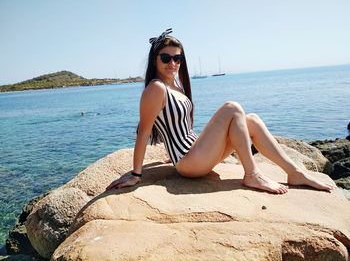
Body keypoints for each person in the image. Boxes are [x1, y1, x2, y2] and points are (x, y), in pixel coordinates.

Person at [106, 28, 332, 194]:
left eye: (177, 58)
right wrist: (136, 175)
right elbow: (144, 132)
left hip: (195, 151)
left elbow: (179, 126)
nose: (172, 63)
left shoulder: (175, 86)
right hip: (188, 162)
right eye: (166, 58)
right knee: (232, 107)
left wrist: (168, 152)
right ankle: (252, 175)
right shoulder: (155, 88)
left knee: (250, 119)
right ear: (154, 60)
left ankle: (294, 173)